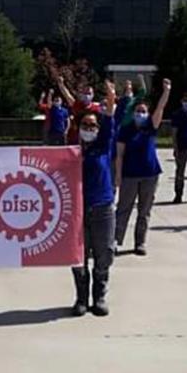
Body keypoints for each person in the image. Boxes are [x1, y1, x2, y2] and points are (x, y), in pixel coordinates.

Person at [71, 79, 116, 317]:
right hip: (76, 209)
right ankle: (80, 298)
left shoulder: (103, 145)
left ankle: (99, 296)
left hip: (102, 207)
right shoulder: (70, 151)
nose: (89, 128)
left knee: (104, 252)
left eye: (92, 125)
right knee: (78, 255)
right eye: (85, 125)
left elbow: (109, 116)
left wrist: (110, 95)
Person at [114, 79, 171, 255]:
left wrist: (166, 91)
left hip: (150, 174)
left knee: (144, 211)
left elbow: (160, 108)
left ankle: (140, 242)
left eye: (144, 111)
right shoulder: (125, 129)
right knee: (123, 209)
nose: (141, 114)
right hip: (130, 175)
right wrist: (118, 175)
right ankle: (116, 240)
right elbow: (120, 155)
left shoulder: (150, 126)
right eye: (138, 111)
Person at [57, 76, 100, 145]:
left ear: (93, 95)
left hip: (92, 139)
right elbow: (67, 95)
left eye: (89, 93)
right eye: (85, 93)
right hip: (76, 139)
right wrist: (61, 84)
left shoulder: (97, 107)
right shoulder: (77, 105)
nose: (87, 96)